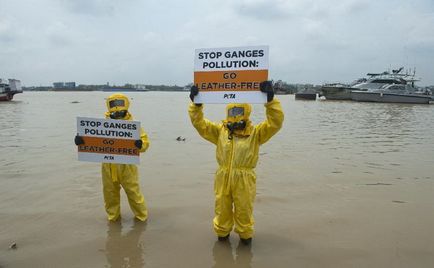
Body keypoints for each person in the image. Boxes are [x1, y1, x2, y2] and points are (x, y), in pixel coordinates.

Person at [188, 81, 284, 245]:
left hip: (244, 179)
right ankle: (222, 238)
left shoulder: (255, 133)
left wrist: (270, 101)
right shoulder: (220, 131)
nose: (235, 114)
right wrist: (196, 105)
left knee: (244, 211)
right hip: (223, 176)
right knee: (222, 209)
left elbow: (275, 123)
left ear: (247, 112)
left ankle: (245, 240)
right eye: (232, 111)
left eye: (239, 111)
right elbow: (200, 124)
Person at [74, 93, 150, 222]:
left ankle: (142, 218)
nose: (118, 115)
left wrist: (140, 144)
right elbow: (93, 141)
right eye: (115, 112)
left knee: (134, 194)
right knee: (110, 195)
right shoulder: (101, 125)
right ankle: (113, 220)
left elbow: (145, 144)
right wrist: (81, 141)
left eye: (121, 112)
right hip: (108, 166)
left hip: (127, 166)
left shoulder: (133, 126)